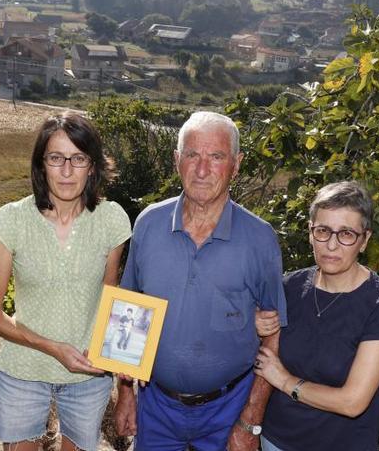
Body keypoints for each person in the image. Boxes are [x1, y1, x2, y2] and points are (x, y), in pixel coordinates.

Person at [114, 111, 287, 451]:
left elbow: (274, 335)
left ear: (236, 165)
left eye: (216, 157)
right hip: (156, 406)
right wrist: (125, 395)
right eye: (193, 155)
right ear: (177, 160)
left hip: (229, 407)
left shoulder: (260, 238)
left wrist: (250, 421)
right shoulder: (148, 224)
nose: (203, 170)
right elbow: (128, 313)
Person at [0, 112, 132, 451]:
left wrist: (118, 356)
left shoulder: (112, 220)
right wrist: (52, 348)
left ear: (92, 166)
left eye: (78, 158)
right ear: (41, 164)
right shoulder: (12, 219)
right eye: (56, 157)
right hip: (23, 368)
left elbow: (110, 294)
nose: (65, 170)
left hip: (87, 372)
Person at [253, 181, 379, 451]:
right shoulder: (288, 288)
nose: (332, 245)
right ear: (311, 233)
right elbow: (255, 360)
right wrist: (252, 328)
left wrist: (285, 380)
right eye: (323, 231)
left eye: (346, 233)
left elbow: (352, 402)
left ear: (365, 239)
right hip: (274, 441)